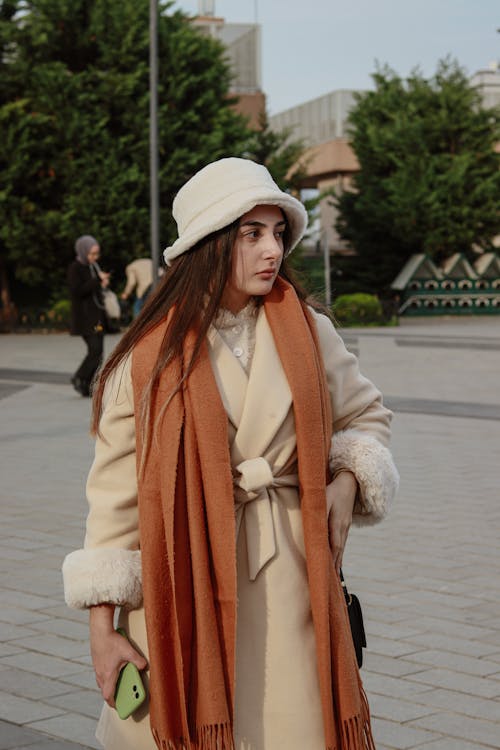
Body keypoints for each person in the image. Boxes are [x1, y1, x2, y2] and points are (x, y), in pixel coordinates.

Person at [63, 158, 399, 750]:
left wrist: (347, 480)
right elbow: (114, 505)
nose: (272, 249)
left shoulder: (309, 331)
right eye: (251, 234)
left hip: (297, 573)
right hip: (183, 578)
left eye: (277, 233)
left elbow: (366, 415)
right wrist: (102, 629)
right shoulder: (148, 358)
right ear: (210, 243)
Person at [67, 235, 110, 397]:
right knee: (95, 350)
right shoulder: (75, 268)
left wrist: (102, 283)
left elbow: (94, 291)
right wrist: (96, 281)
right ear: (83, 251)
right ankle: (80, 377)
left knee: (99, 353)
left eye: (96, 254)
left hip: (97, 317)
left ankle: (87, 385)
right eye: (92, 254)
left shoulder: (93, 267)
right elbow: (77, 291)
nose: (95, 257)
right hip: (84, 319)